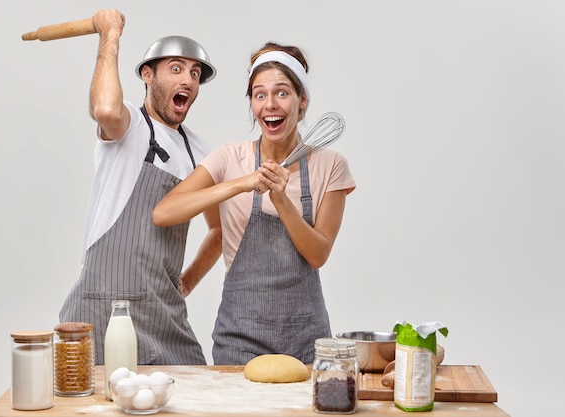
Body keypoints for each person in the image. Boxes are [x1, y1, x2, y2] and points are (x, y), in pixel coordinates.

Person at [152, 41, 356, 365]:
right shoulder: (230, 158)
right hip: (238, 343)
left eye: (282, 93)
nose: (270, 105)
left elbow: (318, 254)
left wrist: (282, 200)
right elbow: (164, 212)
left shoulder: (330, 165)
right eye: (259, 95)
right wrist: (242, 183)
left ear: (302, 101)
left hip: (307, 342)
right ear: (251, 103)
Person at [58, 9, 222, 366]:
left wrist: (187, 282)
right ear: (148, 75)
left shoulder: (201, 152)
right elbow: (104, 109)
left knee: (195, 395)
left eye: (195, 73)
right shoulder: (130, 126)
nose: (189, 80)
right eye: (176, 69)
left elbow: (219, 229)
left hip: (164, 312)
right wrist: (109, 35)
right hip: (104, 308)